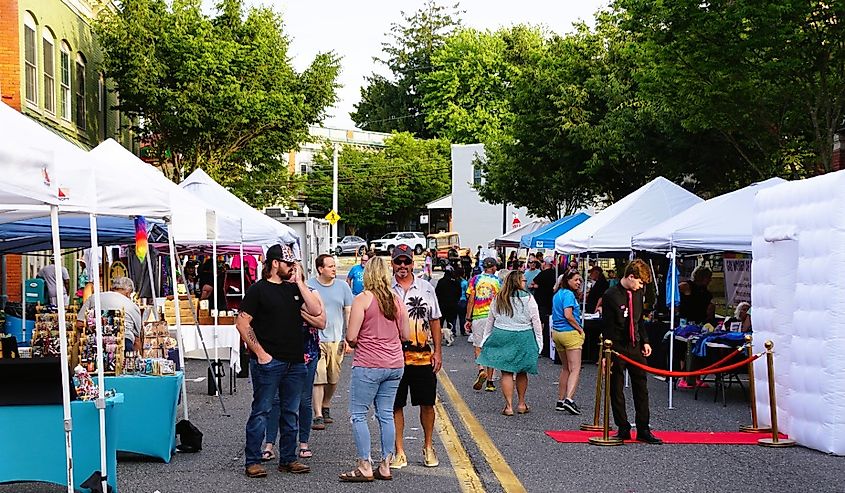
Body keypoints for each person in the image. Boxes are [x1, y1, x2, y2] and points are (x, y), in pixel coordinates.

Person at [237, 244, 324, 477]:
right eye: (288, 264)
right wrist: (261, 354)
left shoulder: (292, 289)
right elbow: (242, 323)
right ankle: (253, 460)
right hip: (269, 362)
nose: (292, 267)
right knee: (262, 410)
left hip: (295, 361)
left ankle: (288, 458)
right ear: (275, 263)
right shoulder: (258, 290)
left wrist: (300, 283)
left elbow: (315, 311)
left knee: (291, 411)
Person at [339, 257, 410, 482]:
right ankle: (386, 464)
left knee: (359, 414)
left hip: (369, 363)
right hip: (395, 363)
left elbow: (351, 337)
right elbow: (406, 335)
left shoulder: (363, 299)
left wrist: (361, 338)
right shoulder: (396, 300)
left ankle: (364, 465)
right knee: (385, 413)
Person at [390, 243, 443, 470]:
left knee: (427, 403)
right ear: (392, 264)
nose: (403, 266)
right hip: (392, 357)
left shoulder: (426, 288)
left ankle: (428, 446)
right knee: (394, 405)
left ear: (413, 263)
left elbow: (435, 320)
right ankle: (399, 451)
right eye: (398, 261)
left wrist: (438, 351)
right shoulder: (386, 289)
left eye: (407, 261)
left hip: (422, 356)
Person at [263, 268, 324, 462]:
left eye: (294, 271)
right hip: (279, 353)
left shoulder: (311, 293)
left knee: (304, 400)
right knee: (276, 401)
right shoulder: (277, 293)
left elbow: (321, 321)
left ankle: (303, 443)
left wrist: (299, 312)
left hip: (307, 353)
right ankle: (270, 444)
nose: (290, 274)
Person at [603, 259, 662, 444]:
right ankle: (623, 426)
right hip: (618, 346)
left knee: (641, 387)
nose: (640, 287)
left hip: (635, 345)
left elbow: (639, 320)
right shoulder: (610, 295)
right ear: (630, 277)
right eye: (639, 282)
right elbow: (608, 326)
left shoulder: (637, 293)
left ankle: (643, 427)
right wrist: (608, 353)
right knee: (616, 388)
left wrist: (645, 341)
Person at [476, 270, 543, 416]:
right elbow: (536, 321)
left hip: (502, 335)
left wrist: (485, 338)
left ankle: (508, 406)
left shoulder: (499, 298)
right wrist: (539, 341)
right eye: (523, 280)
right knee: (522, 371)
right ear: (517, 281)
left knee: (506, 371)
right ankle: (521, 403)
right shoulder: (529, 298)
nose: (525, 282)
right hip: (523, 336)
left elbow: (490, 320)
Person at [307, 254, 354, 431]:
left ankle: (326, 404)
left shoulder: (343, 287)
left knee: (333, 378)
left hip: (336, 339)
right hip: (316, 339)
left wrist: (349, 337)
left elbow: (348, 312)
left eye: (334, 266)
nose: (334, 269)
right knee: (318, 377)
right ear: (320, 269)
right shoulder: (310, 286)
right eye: (330, 266)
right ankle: (318, 414)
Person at [76, 276, 143, 352]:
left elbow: (79, 324)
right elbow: (137, 340)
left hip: (95, 342)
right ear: (128, 293)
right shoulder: (132, 306)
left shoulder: (94, 298)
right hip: (124, 342)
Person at [465, 257, 501, 392]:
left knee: (478, 346)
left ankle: (481, 369)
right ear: (493, 268)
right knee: (490, 348)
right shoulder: (498, 282)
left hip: (478, 316)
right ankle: (490, 382)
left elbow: (471, 299)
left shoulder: (475, 280)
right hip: (492, 317)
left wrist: (468, 319)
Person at [551, 271, 585, 414]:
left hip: (557, 332)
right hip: (570, 333)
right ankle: (569, 400)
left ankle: (560, 400)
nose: (578, 283)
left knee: (565, 368)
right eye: (576, 280)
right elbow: (568, 315)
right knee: (575, 368)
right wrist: (580, 328)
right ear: (568, 280)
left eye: (580, 280)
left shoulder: (557, 294)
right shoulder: (569, 295)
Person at [530, 257, 557, 357]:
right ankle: (547, 346)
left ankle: (540, 345)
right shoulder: (555, 273)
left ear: (545, 263)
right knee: (548, 323)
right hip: (550, 301)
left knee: (540, 323)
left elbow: (533, 282)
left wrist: (537, 286)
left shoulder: (543, 273)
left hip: (541, 301)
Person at [435, 265, 461, 346]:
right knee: (451, 321)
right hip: (452, 305)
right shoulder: (455, 281)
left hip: (442, 305)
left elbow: (437, 293)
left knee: (440, 323)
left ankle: (438, 338)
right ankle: (450, 336)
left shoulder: (441, 281)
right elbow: (459, 293)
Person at [455, 268, 469, 336]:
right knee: (462, 317)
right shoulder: (464, 282)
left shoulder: (455, 281)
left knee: (454, 316)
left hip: (456, 300)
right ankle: (462, 330)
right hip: (463, 300)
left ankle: (453, 330)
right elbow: (467, 292)